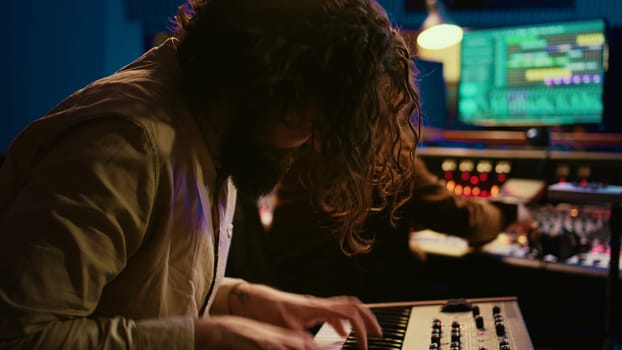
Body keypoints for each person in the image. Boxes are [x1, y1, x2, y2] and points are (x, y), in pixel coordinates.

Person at [0, 0, 422, 348]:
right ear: (267, 80)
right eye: (308, 120)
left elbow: (145, 293)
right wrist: (209, 336)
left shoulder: (212, 122)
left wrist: (250, 301)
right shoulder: (126, 145)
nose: (309, 141)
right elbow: (22, 335)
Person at [227, 148, 535, 302]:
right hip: (357, 307)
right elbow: (468, 221)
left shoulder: (306, 147)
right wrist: (508, 214)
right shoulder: (388, 155)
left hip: (293, 300)